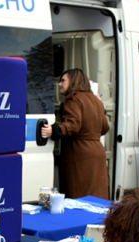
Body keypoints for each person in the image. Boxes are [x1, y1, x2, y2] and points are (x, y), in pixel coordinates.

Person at [40, 69, 110, 199]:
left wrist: (55, 129)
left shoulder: (73, 99)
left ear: (73, 81)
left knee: (78, 197)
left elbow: (73, 124)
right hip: (97, 152)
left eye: (63, 80)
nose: (59, 84)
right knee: (95, 197)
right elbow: (104, 128)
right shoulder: (96, 101)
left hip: (79, 154)